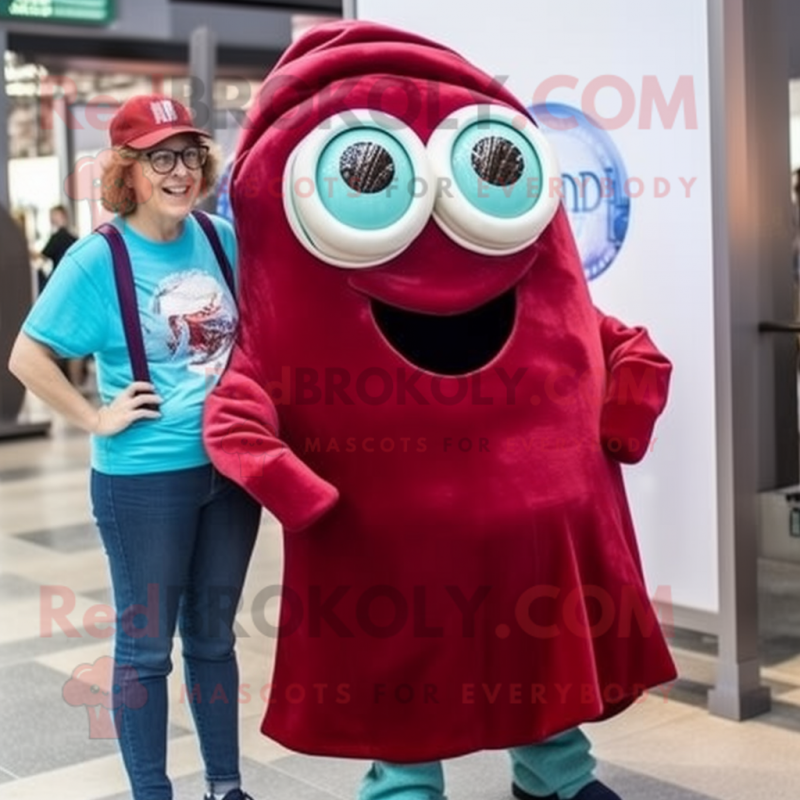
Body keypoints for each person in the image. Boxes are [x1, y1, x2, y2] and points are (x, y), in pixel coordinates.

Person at [203, 20, 675, 800]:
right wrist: (299, 492)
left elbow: (629, 349)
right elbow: (236, 416)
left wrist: (625, 415)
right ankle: (406, 785)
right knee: (406, 670)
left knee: (540, 653)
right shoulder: (301, 276)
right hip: (389, 541)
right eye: (366, 176)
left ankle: (555, 773)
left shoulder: (534, 278)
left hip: (533, 543)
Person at [8, 94, 261, 800]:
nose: (179, 171)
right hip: (145, 479)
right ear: (129, 171)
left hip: (229, 469)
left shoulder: (219, 240)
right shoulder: (98, 258)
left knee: (213, 641)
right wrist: (93, 417)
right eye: (160, 157)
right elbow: (27, 356)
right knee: (147, 652)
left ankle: (226, 787)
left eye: (188, 154)